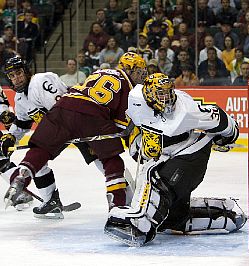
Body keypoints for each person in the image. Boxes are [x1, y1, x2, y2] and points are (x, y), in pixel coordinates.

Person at [104, 73, 246, 246]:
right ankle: (224, 216)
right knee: (172, 218)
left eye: (168, 93)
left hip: (191, 155)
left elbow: (220, 118)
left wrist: (227, 136)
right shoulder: (136, 99)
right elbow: (136, 141)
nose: (167, 99)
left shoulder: (186, 111)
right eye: (161, 94)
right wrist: (140, 144)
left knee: (155, 178)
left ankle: (141, 225)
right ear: (149, 95)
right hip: (171, 155)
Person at [3, 52, 147, 218]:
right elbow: (22, 123)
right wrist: (11, 136)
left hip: (71, 123)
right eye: (12, 76)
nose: (17, 79)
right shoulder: (20, 99)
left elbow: (60, 105)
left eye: (19, 73)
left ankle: (129, 196)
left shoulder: (41, 81)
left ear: (26, 71)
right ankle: (50, 201)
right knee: (41, 161)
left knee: (98, 159)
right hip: (72, 124)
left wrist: (49, 138)